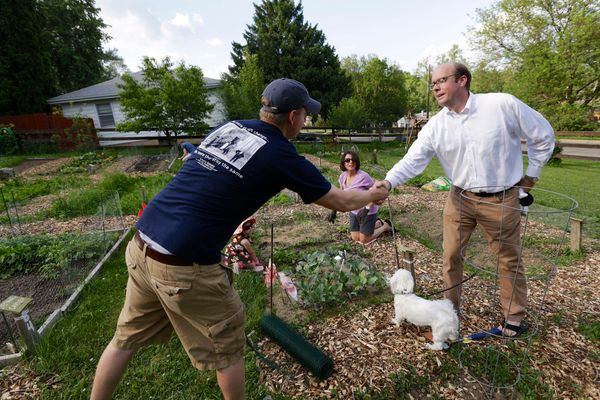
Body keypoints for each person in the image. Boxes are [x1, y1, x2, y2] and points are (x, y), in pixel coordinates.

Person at [90, 77, 389, 400]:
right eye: (305, 114)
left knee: (124, 339)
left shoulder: (230, 127)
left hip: (142, 244)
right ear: (293, 116)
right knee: (228, 348)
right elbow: (342, 201)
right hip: (182, 264)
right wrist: (372, 193)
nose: (306, 120)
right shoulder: (281, 154)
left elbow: (196, 161)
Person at [380, 63, 555, 337]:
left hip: (500, 199)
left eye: (441, 80)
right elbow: (413, 160)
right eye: (432, 83)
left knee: (508, 259)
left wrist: (531, 175)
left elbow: (542, 135)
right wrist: (388, 181)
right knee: (450, 256)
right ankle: (447, 315)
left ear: (463, 80)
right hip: (459, 198)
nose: (435, 87)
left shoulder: (501, 105)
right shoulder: (436, 125)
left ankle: (514, 319)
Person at [338, 151, 391, 244]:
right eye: (347, 160)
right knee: (355, 238)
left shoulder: (363, 176)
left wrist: (366, 209)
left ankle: (385, 226)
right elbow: (341, 192)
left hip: (368, 212)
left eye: (353, 160)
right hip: (354, 211)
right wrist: (334, 209)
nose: (351, 162)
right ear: (343, 163)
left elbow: (376, 191)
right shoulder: (343, 176)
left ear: (356, 162)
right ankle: (377, 223)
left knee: (364, 240)